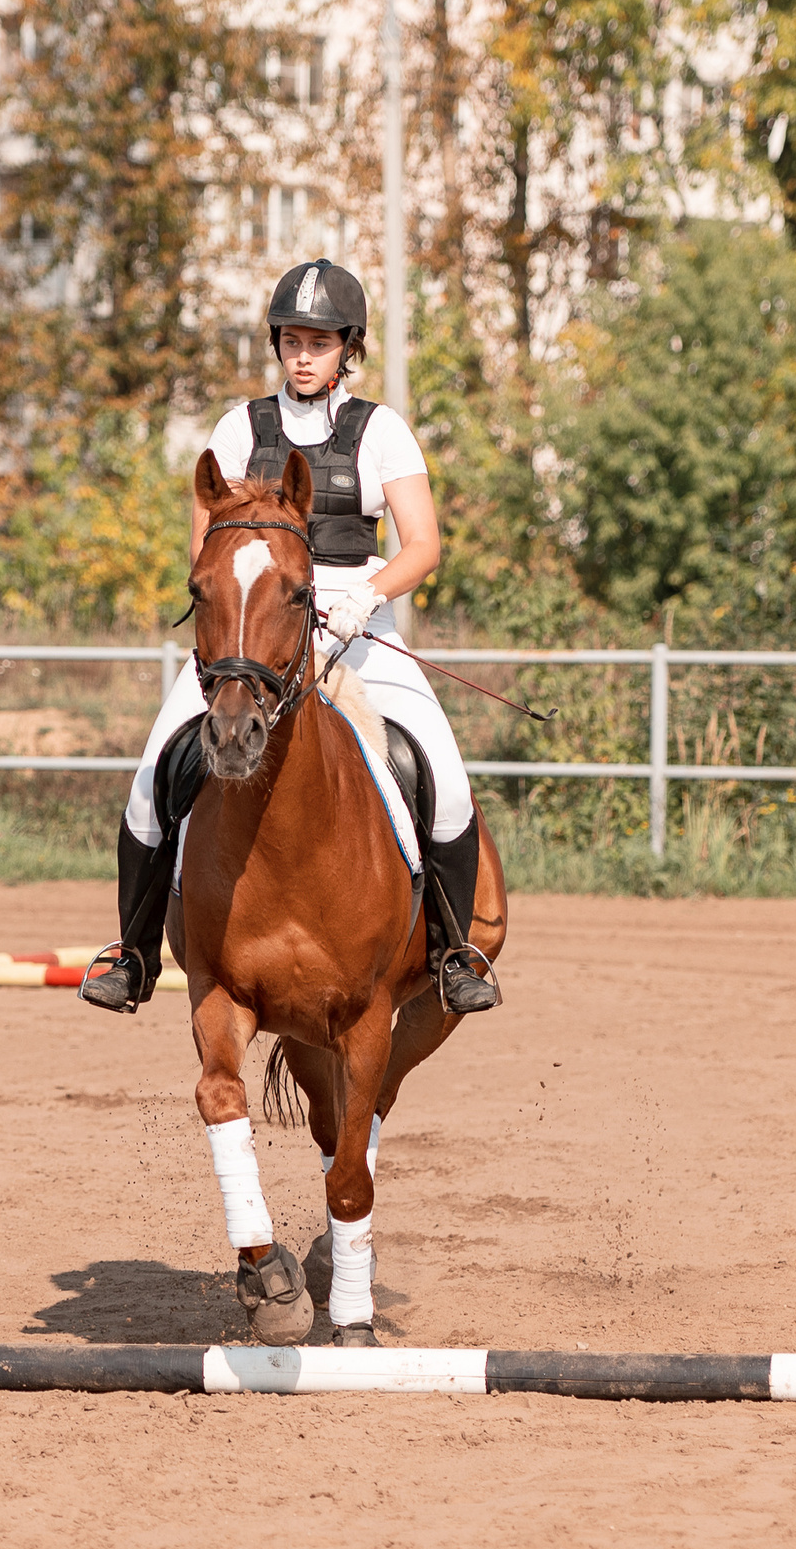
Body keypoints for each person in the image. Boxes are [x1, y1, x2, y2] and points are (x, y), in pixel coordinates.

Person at [81, 258, 500, 1017]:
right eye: (291, 340)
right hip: (255, 625)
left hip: (358, 620)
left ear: (349, 347)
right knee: (153, 775)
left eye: (320, 341)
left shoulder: (383, 431)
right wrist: (248, 617)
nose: (303, 355)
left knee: (442, 774)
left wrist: (365, 594)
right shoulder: (238, 428)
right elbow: (205, 545)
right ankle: (133, 952)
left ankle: (452, 952)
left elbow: (424, 544)